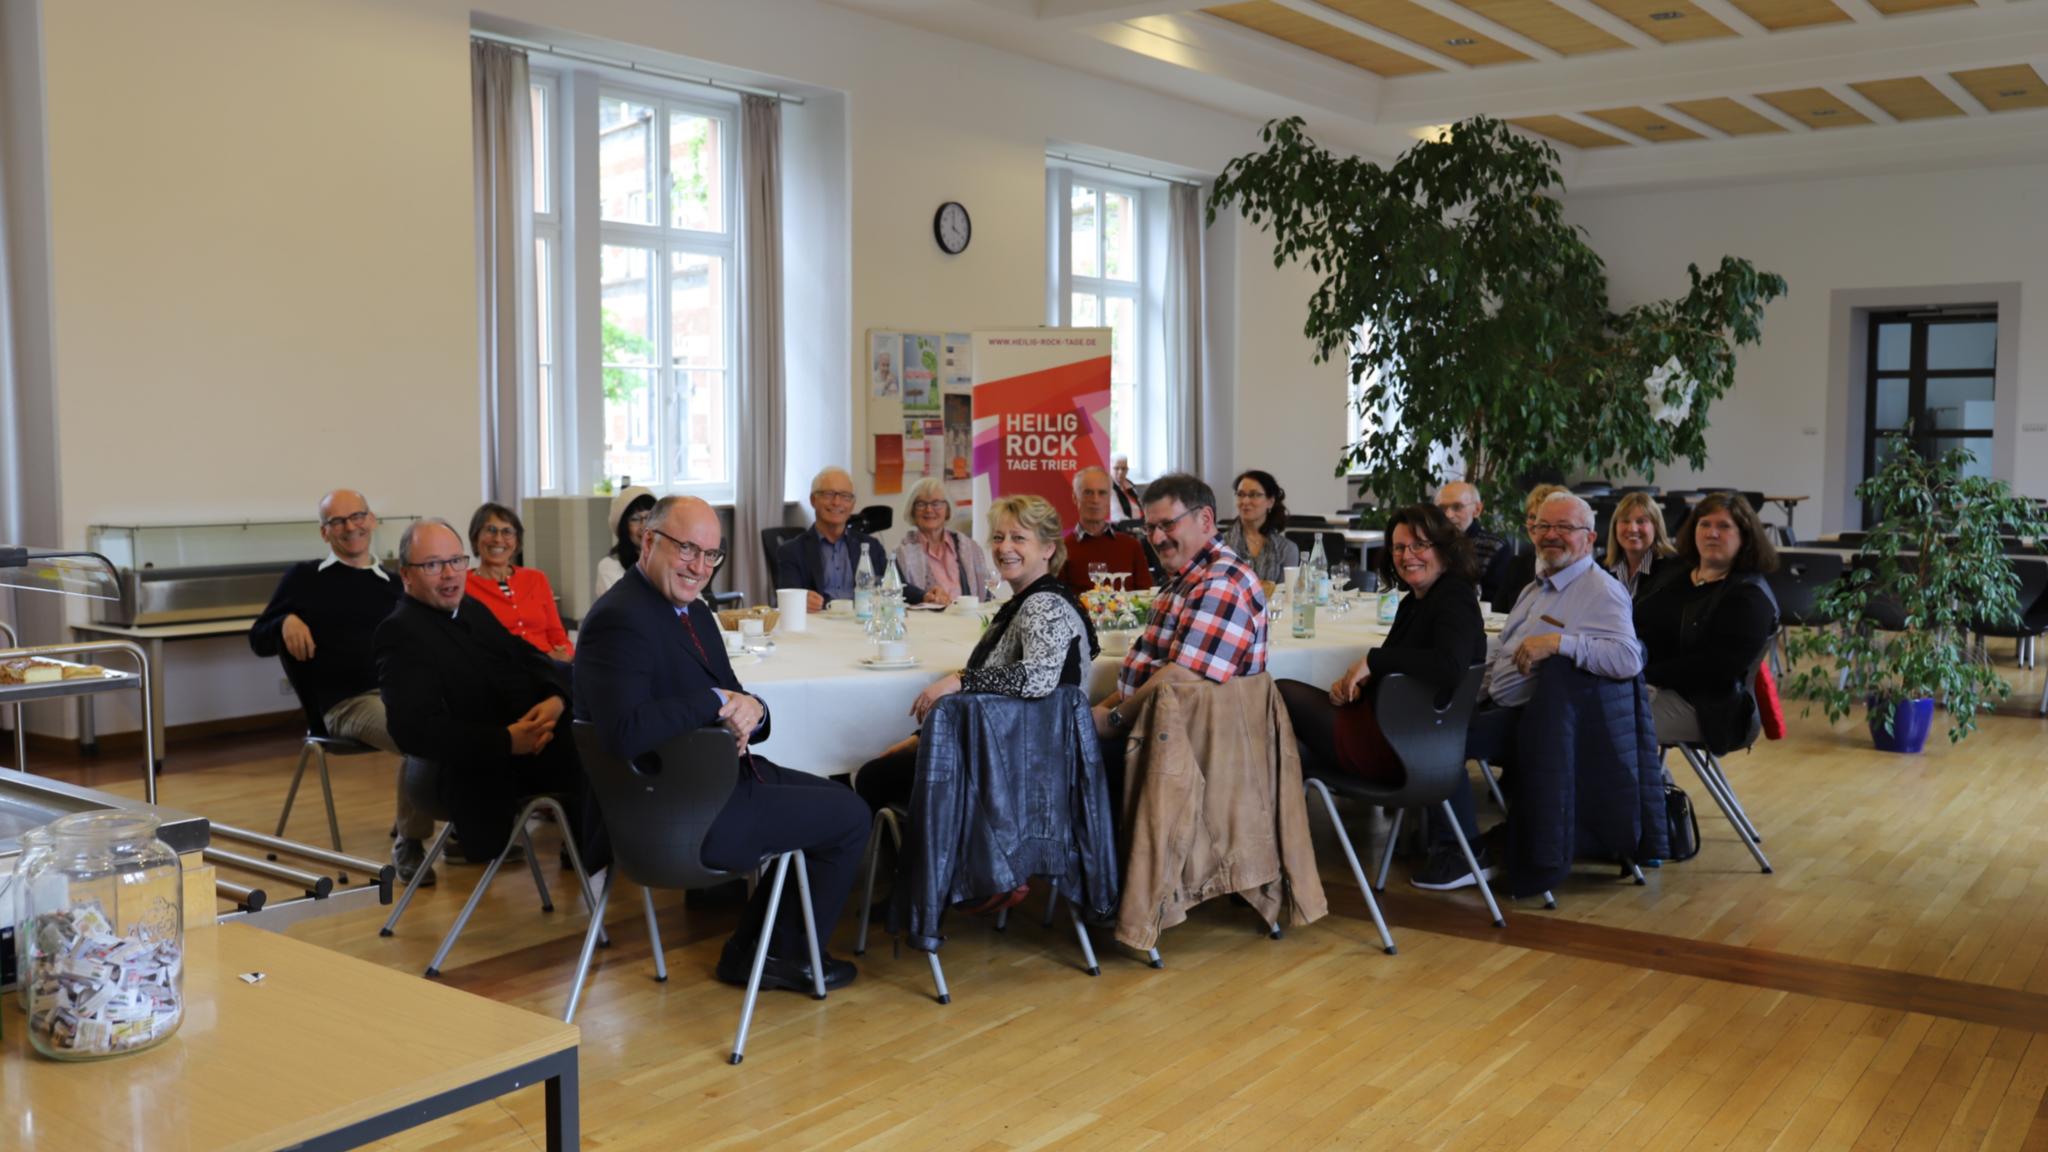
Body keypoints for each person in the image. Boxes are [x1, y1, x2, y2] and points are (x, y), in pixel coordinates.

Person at [577, 495, 870, 994]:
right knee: (848, 818)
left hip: (711, 784)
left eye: (711, 555)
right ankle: (781, 956)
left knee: (843, 800)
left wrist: (752, 713)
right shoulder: (620, 618)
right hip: (676, 816)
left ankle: (754, 953)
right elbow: (624, 731)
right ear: (648, 541)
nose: (700, 567)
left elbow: (735, 696)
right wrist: (714, 702)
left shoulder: (688, 612)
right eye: (687, 549)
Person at [1416, 492, 1643, 891]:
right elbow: (1504, 653)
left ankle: (1462, 853)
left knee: (1437, 741)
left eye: (1564, 528)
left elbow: (1628, 658)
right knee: (1422, 716)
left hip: (1542, 724)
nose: (1551, 535)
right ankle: (1430, 839)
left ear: (1589, 538)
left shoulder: (1599, 591)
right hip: (1501, 704)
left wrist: (1560, 643)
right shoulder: (1537, 587)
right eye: (1543, 526)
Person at [375, 519, 605, 872]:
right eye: (433, 565)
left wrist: (555, 698)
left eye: (456, 561)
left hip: (518, 747)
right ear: (406, 575)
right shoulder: (401, 632)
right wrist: (507, 741)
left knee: (599, 734)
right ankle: (614, 857)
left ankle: (600, 854)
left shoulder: (469, 608)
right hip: (469, 770)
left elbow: (526, 656)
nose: (450, 574)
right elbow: (412, 731)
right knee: (598, 753)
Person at [855, 494, 1099, 815]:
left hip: (1023, 764)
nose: (1004, 547)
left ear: (1048, 549)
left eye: (1019, 538)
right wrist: (920, 738)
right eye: (998, 538)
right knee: (881, 769)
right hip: (1005, 749)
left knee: (872, 777)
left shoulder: (1044, 604)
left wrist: (958, 680)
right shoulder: (1027, 599)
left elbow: (1038, 677)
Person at [249, 489, 429, 882]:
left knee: (464, 721)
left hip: (400, 694)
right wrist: (283, 622)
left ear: (373, 520)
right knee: (423, 736)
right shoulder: (305, 578)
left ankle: (461, 823)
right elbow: (258, 638)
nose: (351, 527)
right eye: (338, 521)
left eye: (357, 516)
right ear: (324, 533)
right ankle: (411, 841)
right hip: (347, 705)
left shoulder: (395, 584)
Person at [1278, 504, 1485, 784]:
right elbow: (1399, 664)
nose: (1406, 556)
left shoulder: (1454, 598)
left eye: (1419, 545)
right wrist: (1358, 686)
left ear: (1443, 549)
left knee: (1280, 694)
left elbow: (1448, 667)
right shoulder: (1416, 600)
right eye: (1399, 548)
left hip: (1402, 744)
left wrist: (1373, 661)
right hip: (1398, 728)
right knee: (1285, 726)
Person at [1090, 473, 1266, 760]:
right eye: (1150, 528)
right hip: (1157, 727)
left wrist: (1113, 720)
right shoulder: (1190, 576)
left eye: (1168, 524)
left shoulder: (1221, 583)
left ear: (1206, 520)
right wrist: (1104, 711)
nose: (1156, 539)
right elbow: (1152, 668)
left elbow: (1182, 678)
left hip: (1184, 750)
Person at [1633, 493, 1779, 750]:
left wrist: (1638, 674)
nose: (1712, 533)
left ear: (1745, 536)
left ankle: (1641, 790)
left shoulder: (1750, 597)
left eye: (1724, 526)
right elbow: (1638, 620)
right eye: (1705, 524)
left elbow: (1715, 669)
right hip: (1656, 685)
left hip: (1710, 709)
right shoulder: (1676, 573)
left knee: (1603, 717)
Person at [776, 467, 921, 612]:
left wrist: (926, 595)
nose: (837, 502)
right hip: (819, 626)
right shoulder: (792, 551)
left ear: (852, 505)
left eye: (845, 496)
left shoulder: (871, 546)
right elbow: (786, 597)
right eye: (828, 494)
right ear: (813, 500)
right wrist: (801, 600)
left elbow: (897, 585)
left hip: (862, 623)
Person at [464, 502, 572, 660]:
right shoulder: (463, 585)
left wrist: (566, 655)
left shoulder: (537, 578)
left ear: (516, 541)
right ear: (475, 538)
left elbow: (558, 636)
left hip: (548, 669)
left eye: (507, 532)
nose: (498, 539)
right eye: (490, 530)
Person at [891, 477, 993, 607]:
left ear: (948, 510)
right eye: (921, 504)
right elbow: (898, 595)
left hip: (968, 620)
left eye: (936, 504)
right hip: (927, 624)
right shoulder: (901, 554)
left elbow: (988, 593)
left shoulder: (969, 548)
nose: (929, 510)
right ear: (912, 511)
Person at [1061, 466, 1153, 594]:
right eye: (1088, 493)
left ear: (1109, 498)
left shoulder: (1131, 547)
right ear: (1075, 498)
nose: (1095, 500)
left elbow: (1146, 597)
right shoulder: (1062, 549)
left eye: (1102, 493)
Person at [1488, 483, 1573, 615]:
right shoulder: (1517, 565)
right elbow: (1498, 614)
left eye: (1544, 517)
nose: (1536, 524)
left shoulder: (1577, 572)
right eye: (1532, 517)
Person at [1435, 481, 1512, 606]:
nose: (1448, 515)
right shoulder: (1430, 545)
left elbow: (1496, 602)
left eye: (1457, 507)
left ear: (1477, 509)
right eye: (1442, 508)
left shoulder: (1495, 547)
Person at [1223, 470, 1300, 586]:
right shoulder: (1220, 544)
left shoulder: (1286, 549)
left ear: (1270, 502)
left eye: (1254, 495)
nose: (1245, 501)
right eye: (1241, 494)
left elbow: (1286, 596)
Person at [1605, 490, 1678, 600]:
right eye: (1625, 521)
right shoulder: (1602, 568)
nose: (1632, 529)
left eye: (1641, 521)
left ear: (1656, 527)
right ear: (1615, 527)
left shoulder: (1673, 571)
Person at [595, 485, 655, 596]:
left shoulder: (668, 558)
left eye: (648, 517)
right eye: (635, 519)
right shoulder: (610, 566)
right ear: (624, 527)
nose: (644, 526)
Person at [1110, 455, 1143, 521]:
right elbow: (1118, 517)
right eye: (1116, 468)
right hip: (1129, 527)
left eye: (1124, 469)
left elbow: (1140, 506)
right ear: (1109, 468)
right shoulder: (1109, 487)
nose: (1121, 472)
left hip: (1141, 523)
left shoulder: (1129, 484)